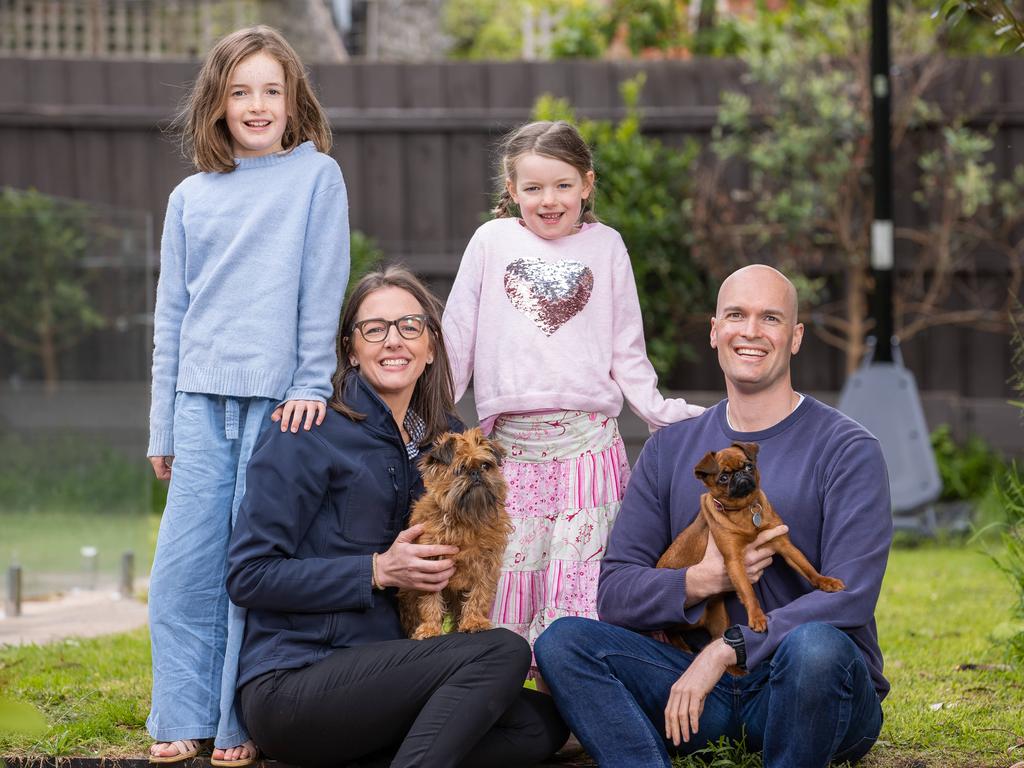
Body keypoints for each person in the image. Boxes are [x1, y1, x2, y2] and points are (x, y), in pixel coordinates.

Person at [534, 264, 892, 768]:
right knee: (564, 642)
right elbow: (615, 592)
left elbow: (850, 596)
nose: (750, 331)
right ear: (714, 331)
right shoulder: (669, 449)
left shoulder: (846, 448)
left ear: (795, 338)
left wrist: (728, 648)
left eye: (770, 318)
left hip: (808, 693)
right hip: (699, 696)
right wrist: (699, 582)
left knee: (816, 648)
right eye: (736, 315)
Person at [225, 266, 568, 768]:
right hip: (299, 679)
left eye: (410, 326)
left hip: (392, 674)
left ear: (431, 346)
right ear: (350, 347)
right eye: (375, 328)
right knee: (501, 652)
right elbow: (249, 575)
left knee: (540, 723)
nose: (394, 341)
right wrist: (376, 570)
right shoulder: (307, 428)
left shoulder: (444, 440)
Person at [145, 26, 349, 766]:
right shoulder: (190, 198)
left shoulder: (315, 177)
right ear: (217, 104)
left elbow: (321, 287)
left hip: (277, 407)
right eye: (241, 92)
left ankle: (239, 720)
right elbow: (171, 315)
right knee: (182, 570)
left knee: (251, 568)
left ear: (293, 101)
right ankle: (181, 713)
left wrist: (307, 383)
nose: (257, 105)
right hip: (199, 405)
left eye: (272, 90)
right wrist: (161, 424)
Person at [442, 120, 704, 667]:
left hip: (589, 452)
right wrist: (428, 413)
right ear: (511, 190)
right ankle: (513, 709)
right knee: (509, 575)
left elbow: (626, 348)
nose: (548, 200)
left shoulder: (607, 247)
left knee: (578, 584)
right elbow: (457, 339)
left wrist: (657, 411)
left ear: (587, 184)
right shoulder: (490, 242)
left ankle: (577, 703)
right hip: (511, 454)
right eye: (533, 188)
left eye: (562, 185)